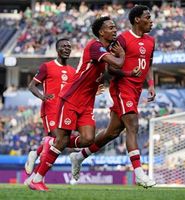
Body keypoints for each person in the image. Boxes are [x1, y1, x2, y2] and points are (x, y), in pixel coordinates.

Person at [28, 16, 126, 191]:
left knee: (88, 139)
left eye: (115, 27)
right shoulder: (94, 46)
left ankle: (52, 143)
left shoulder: (104, 50)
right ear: (101, 32)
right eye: (111, 27)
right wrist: (122, 55)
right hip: (71, 99)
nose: (114, 30)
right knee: (62, 140)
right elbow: (118, 63)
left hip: (87, 103)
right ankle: (37, 178)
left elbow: (112, 70)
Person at [69, 5, 156, 188]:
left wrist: (151, 85)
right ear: (137, 20)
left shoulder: (151, 41)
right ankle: (139, 174)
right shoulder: (122, 39)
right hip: (122, 88)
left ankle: (79, 156)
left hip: (136, 90)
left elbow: (148, 64)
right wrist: (128, 74)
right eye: (148, 17)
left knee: (112, 133)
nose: (151, 21)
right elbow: (110, 68)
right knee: (132, 124)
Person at [24, 38, 76, 185]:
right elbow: (32, 85)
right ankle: (36, 179)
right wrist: (42, 97)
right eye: (63, 46)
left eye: (69, 46)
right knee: (57, 139)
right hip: (51, 109)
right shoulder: (47, 66)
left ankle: (35, 158)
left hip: (65, 112)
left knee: (59, 142)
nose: (67, 48)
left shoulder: (72, 71)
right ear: (57, 50)